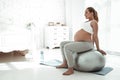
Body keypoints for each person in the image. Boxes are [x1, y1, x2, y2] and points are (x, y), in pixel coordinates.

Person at [56, 7, 107, 75]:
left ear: (92, 13)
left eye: (86, 12)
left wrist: (98, 48)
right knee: (62, 44)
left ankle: (70, 69)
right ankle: (65, 63)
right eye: (84, 13)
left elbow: (95, 36)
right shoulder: (87, 22)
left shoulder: (94, 22)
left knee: (67, 47)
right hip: (80, 42)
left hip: (87, 44)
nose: (84, 14)